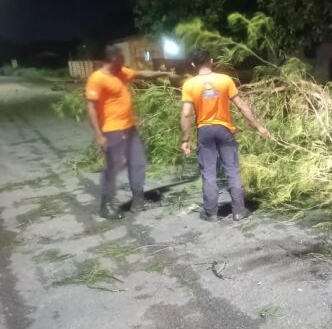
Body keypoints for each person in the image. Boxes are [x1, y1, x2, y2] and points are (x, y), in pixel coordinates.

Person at [86, 45, 177, 220]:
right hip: (112, 131)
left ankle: (138, 201)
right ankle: (106, 206)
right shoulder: (97, 78)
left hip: (129, 129)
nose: (125, 61)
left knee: (138, 162)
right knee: (113, 168)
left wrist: (164, 73)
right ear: (114, 59)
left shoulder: (121, 72)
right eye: (122, 58)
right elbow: (90, 108)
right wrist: (98, 135)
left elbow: (142, 74)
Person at [181, 49, 270, 222]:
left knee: (208, 173)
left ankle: (211, 214)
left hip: (205, 131)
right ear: (211, 61)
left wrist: (185, 139)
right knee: (232, 170)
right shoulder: (225, 80)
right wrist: (259, 127)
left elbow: (186, 114)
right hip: (224, 130)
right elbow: (241, 106)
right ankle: (238, 211)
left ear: (193, 64)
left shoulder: (189, 85)